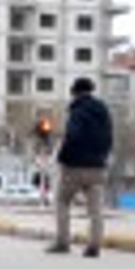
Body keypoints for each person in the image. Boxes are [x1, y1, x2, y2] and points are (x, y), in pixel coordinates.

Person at [46, 77, 113, 258]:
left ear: (74, 92)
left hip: (74, 167)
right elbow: (109, 139)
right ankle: (94, 245)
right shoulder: (103, 110)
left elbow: (72, 137)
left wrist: (62, 158)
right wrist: (102, 158)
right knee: (96, 209)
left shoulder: (77, 111)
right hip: (98, 167)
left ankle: (63, 242)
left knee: (62, 202)